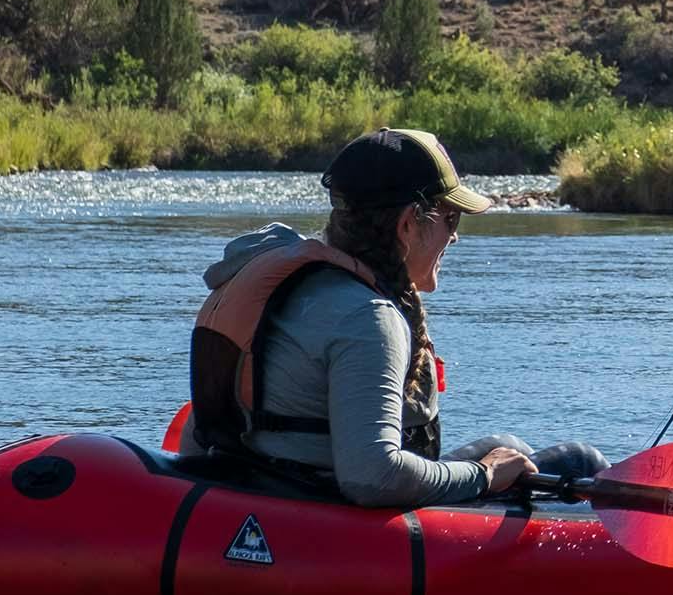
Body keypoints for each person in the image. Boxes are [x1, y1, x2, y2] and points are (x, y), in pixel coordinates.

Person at [187, 127, 605, 506]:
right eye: (450, 218)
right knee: (581, 461)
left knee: (509, 445)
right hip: (318, 517)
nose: (455, 235)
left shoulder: (279, 273)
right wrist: (485, 475)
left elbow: (194, 438)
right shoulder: (366, 318)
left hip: (258, 484)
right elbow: (373, 477)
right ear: (407, 224)